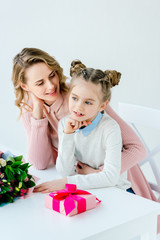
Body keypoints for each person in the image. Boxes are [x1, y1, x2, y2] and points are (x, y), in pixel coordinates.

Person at [11, 47, 155, 198]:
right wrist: (38, 113)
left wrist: (100, 172)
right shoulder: (31, 111)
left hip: (120, 185)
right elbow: (39, 163)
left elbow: (137, 148)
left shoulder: (81, 96)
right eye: (40, 83)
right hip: (85, 186)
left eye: (52, 75)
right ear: (25, 86)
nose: (51, 86)